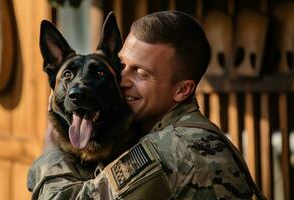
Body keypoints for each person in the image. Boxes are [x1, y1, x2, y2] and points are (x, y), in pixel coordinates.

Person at [27, 10, 264, 199]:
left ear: (182, 90)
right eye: (121, 66)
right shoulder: (188, 131)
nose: (123, 81)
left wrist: (50, 153)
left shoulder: (170, 149)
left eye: (141, 73)